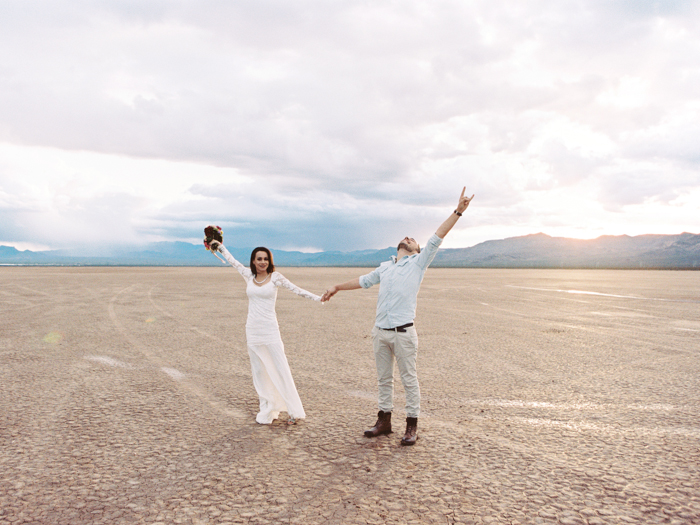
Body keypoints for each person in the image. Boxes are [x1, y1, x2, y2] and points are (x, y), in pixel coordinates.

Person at [321, 188, 474, 445]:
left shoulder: (418, 263)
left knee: (408, 379)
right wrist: (336, 287)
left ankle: (411, 426)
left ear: (416, 250)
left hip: (403, 333)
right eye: (406, 237)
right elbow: (363, 281)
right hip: (380, 332)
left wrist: (458, 211)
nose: (408, 238)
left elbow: (438, 236)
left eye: (413, 239)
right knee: (383, 379)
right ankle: (384, 421)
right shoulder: (386, 267)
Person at [209, 240, 322, 425]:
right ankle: (268, 408)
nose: (262, 262)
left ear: (270, 261)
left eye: (265, 259)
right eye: (259, 259)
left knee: (279, 367)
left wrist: (318, 298)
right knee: (260, 371)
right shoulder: (248, 275)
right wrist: (220, 246)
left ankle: (293, 410)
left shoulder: (275, 277)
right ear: (253, 261)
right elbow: (233, 261)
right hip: (253, 330)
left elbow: (296, 290)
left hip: (270, 330)